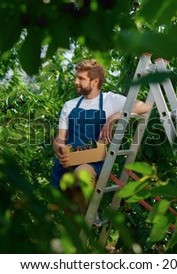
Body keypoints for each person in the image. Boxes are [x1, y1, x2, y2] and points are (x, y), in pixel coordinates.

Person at [51, 59, 151, 215]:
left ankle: (86, 214)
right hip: (68, 161)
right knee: (68, 210)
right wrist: (59, 149)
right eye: (76, 77)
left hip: (93, 160)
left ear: (95, 81)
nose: (75, 82)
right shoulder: (70, 105)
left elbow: (144, 106)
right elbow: (60, 138)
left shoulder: (109, 100)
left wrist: (116, 115)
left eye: (81, 78)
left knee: (81, 175)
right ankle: (80, 223)